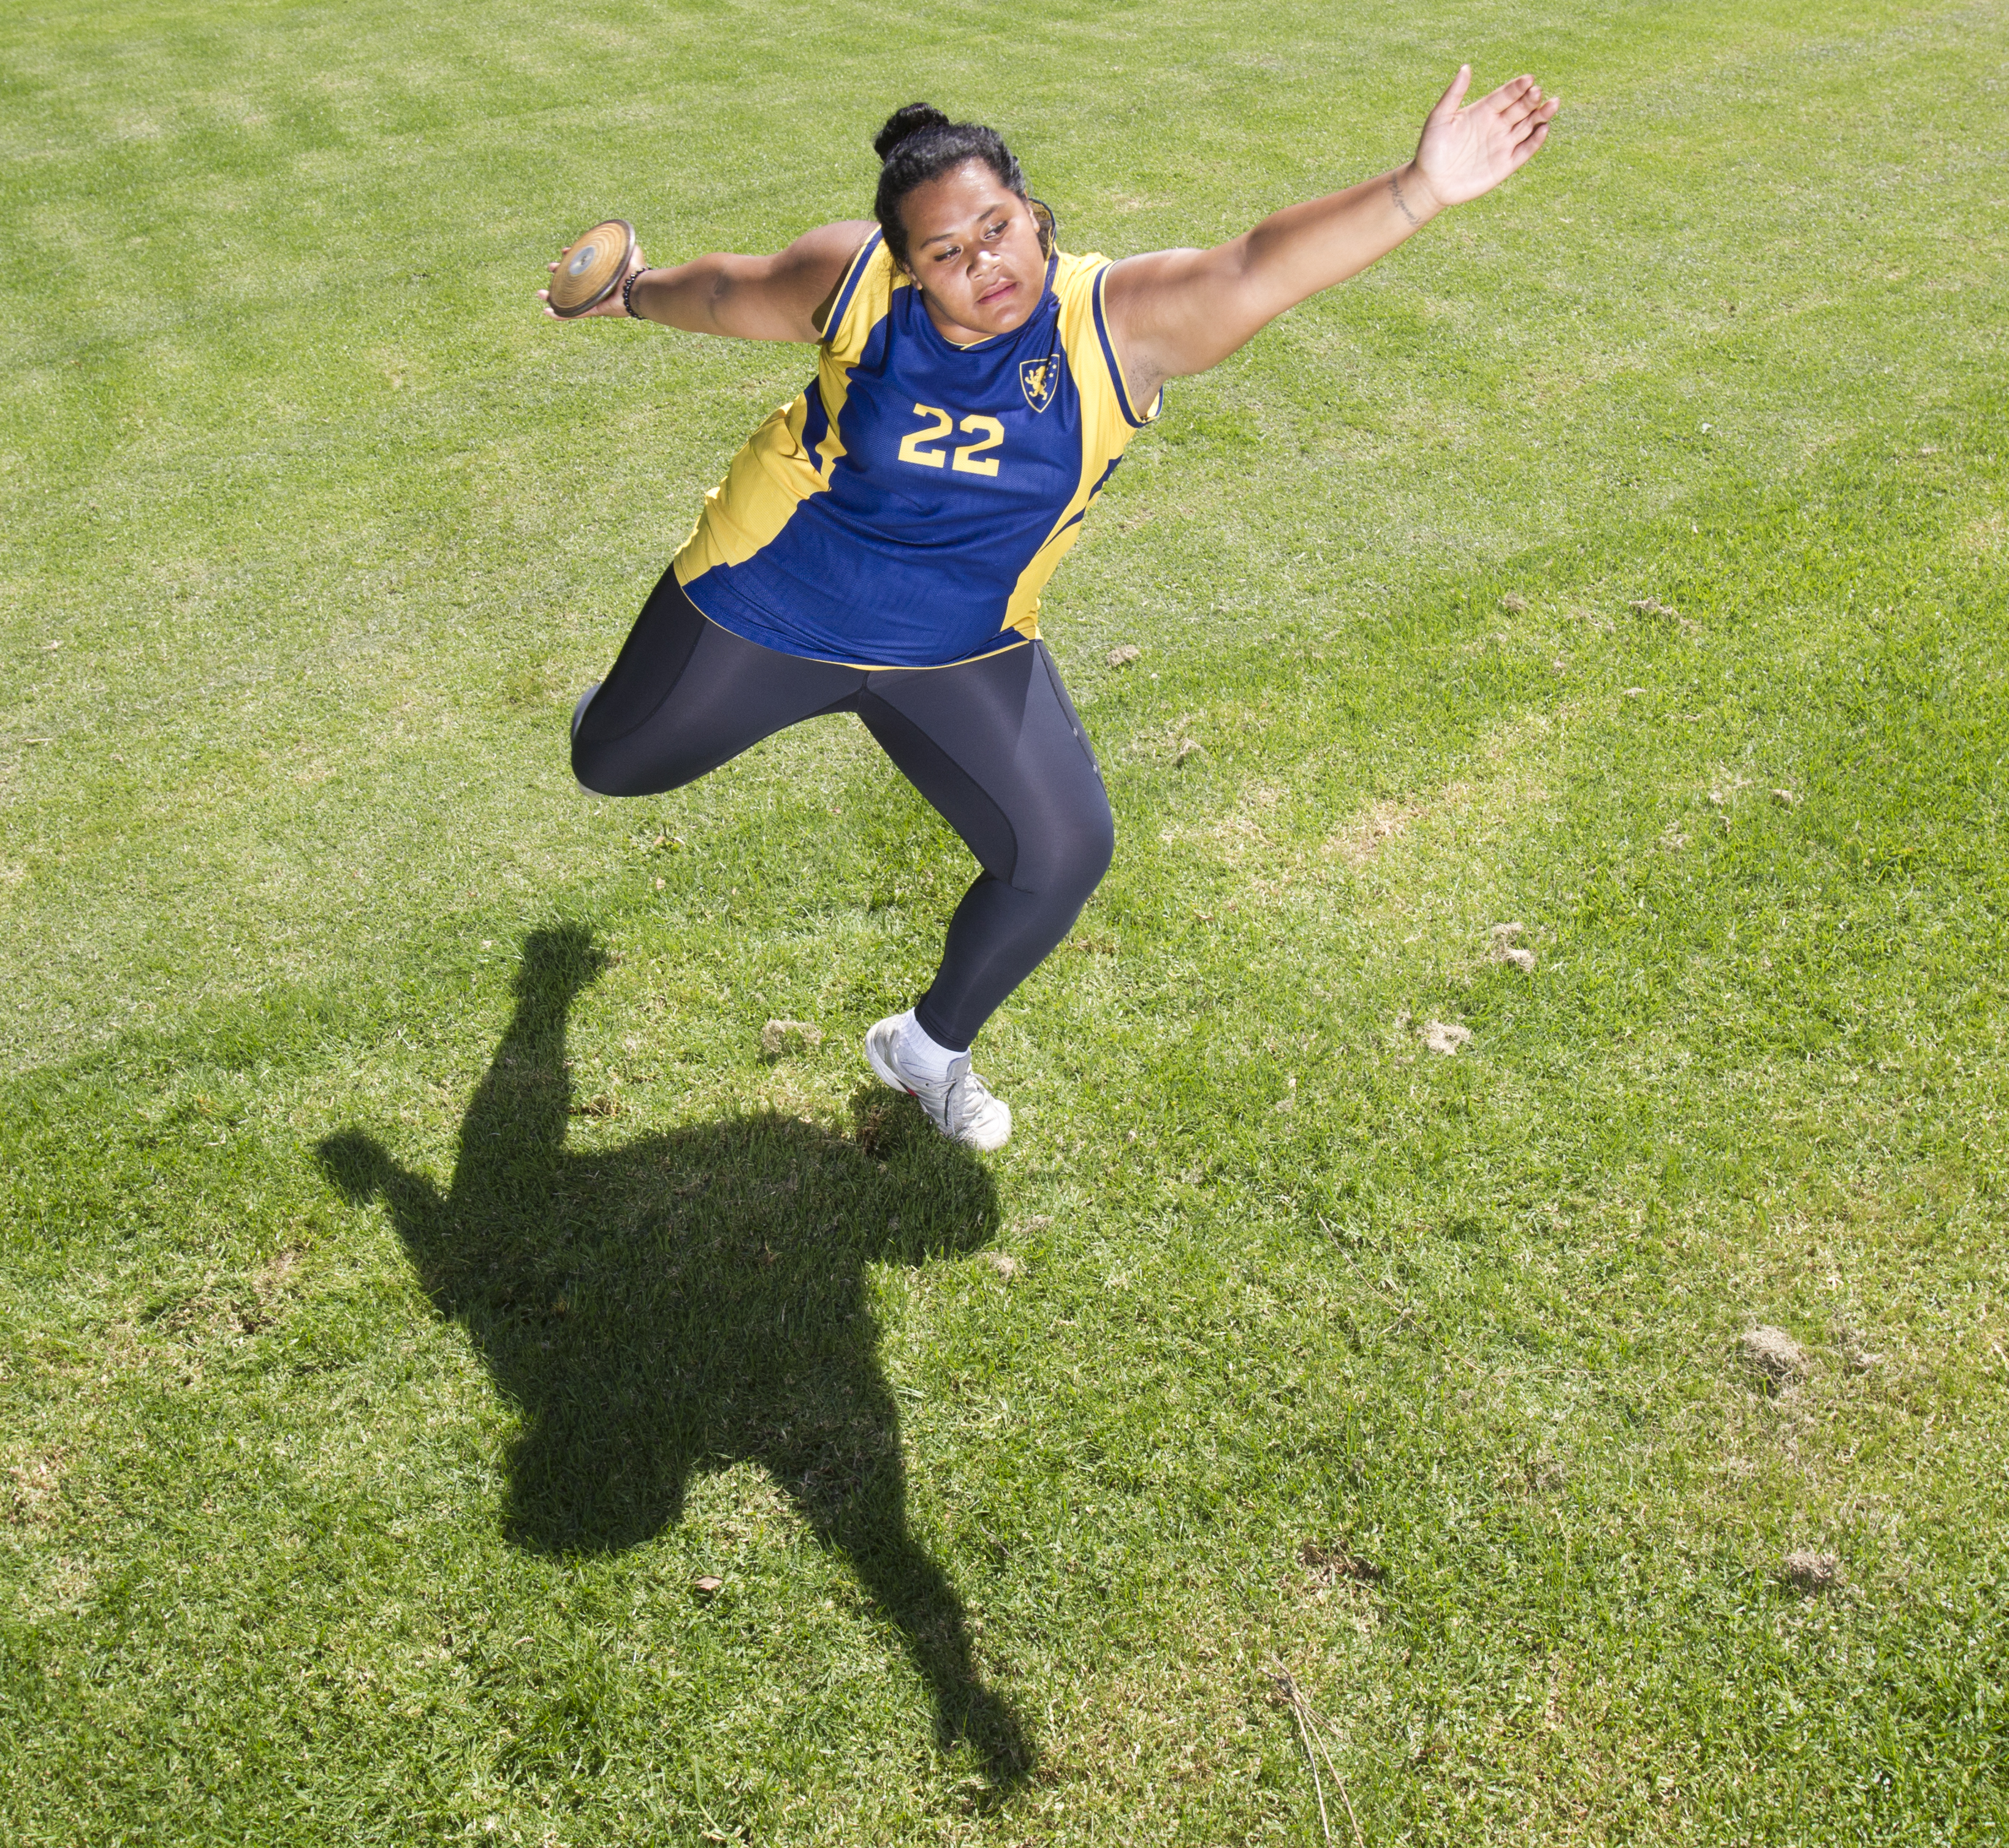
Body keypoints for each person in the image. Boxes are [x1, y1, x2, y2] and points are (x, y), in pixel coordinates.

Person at [544, 70, 1557, 1151]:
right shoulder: (848, 281)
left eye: (997, 226)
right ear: (906, 266)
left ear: (1034, 216)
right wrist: (631, 289)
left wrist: (1421, 189)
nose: (984, 262)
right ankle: (632, 704)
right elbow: (719, 295)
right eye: (946, 252)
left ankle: (925, 1050)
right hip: (766, 601)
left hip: (957, 649)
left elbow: (1256, 267)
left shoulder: (1116, 324)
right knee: (611, 764)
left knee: (1061, 851)